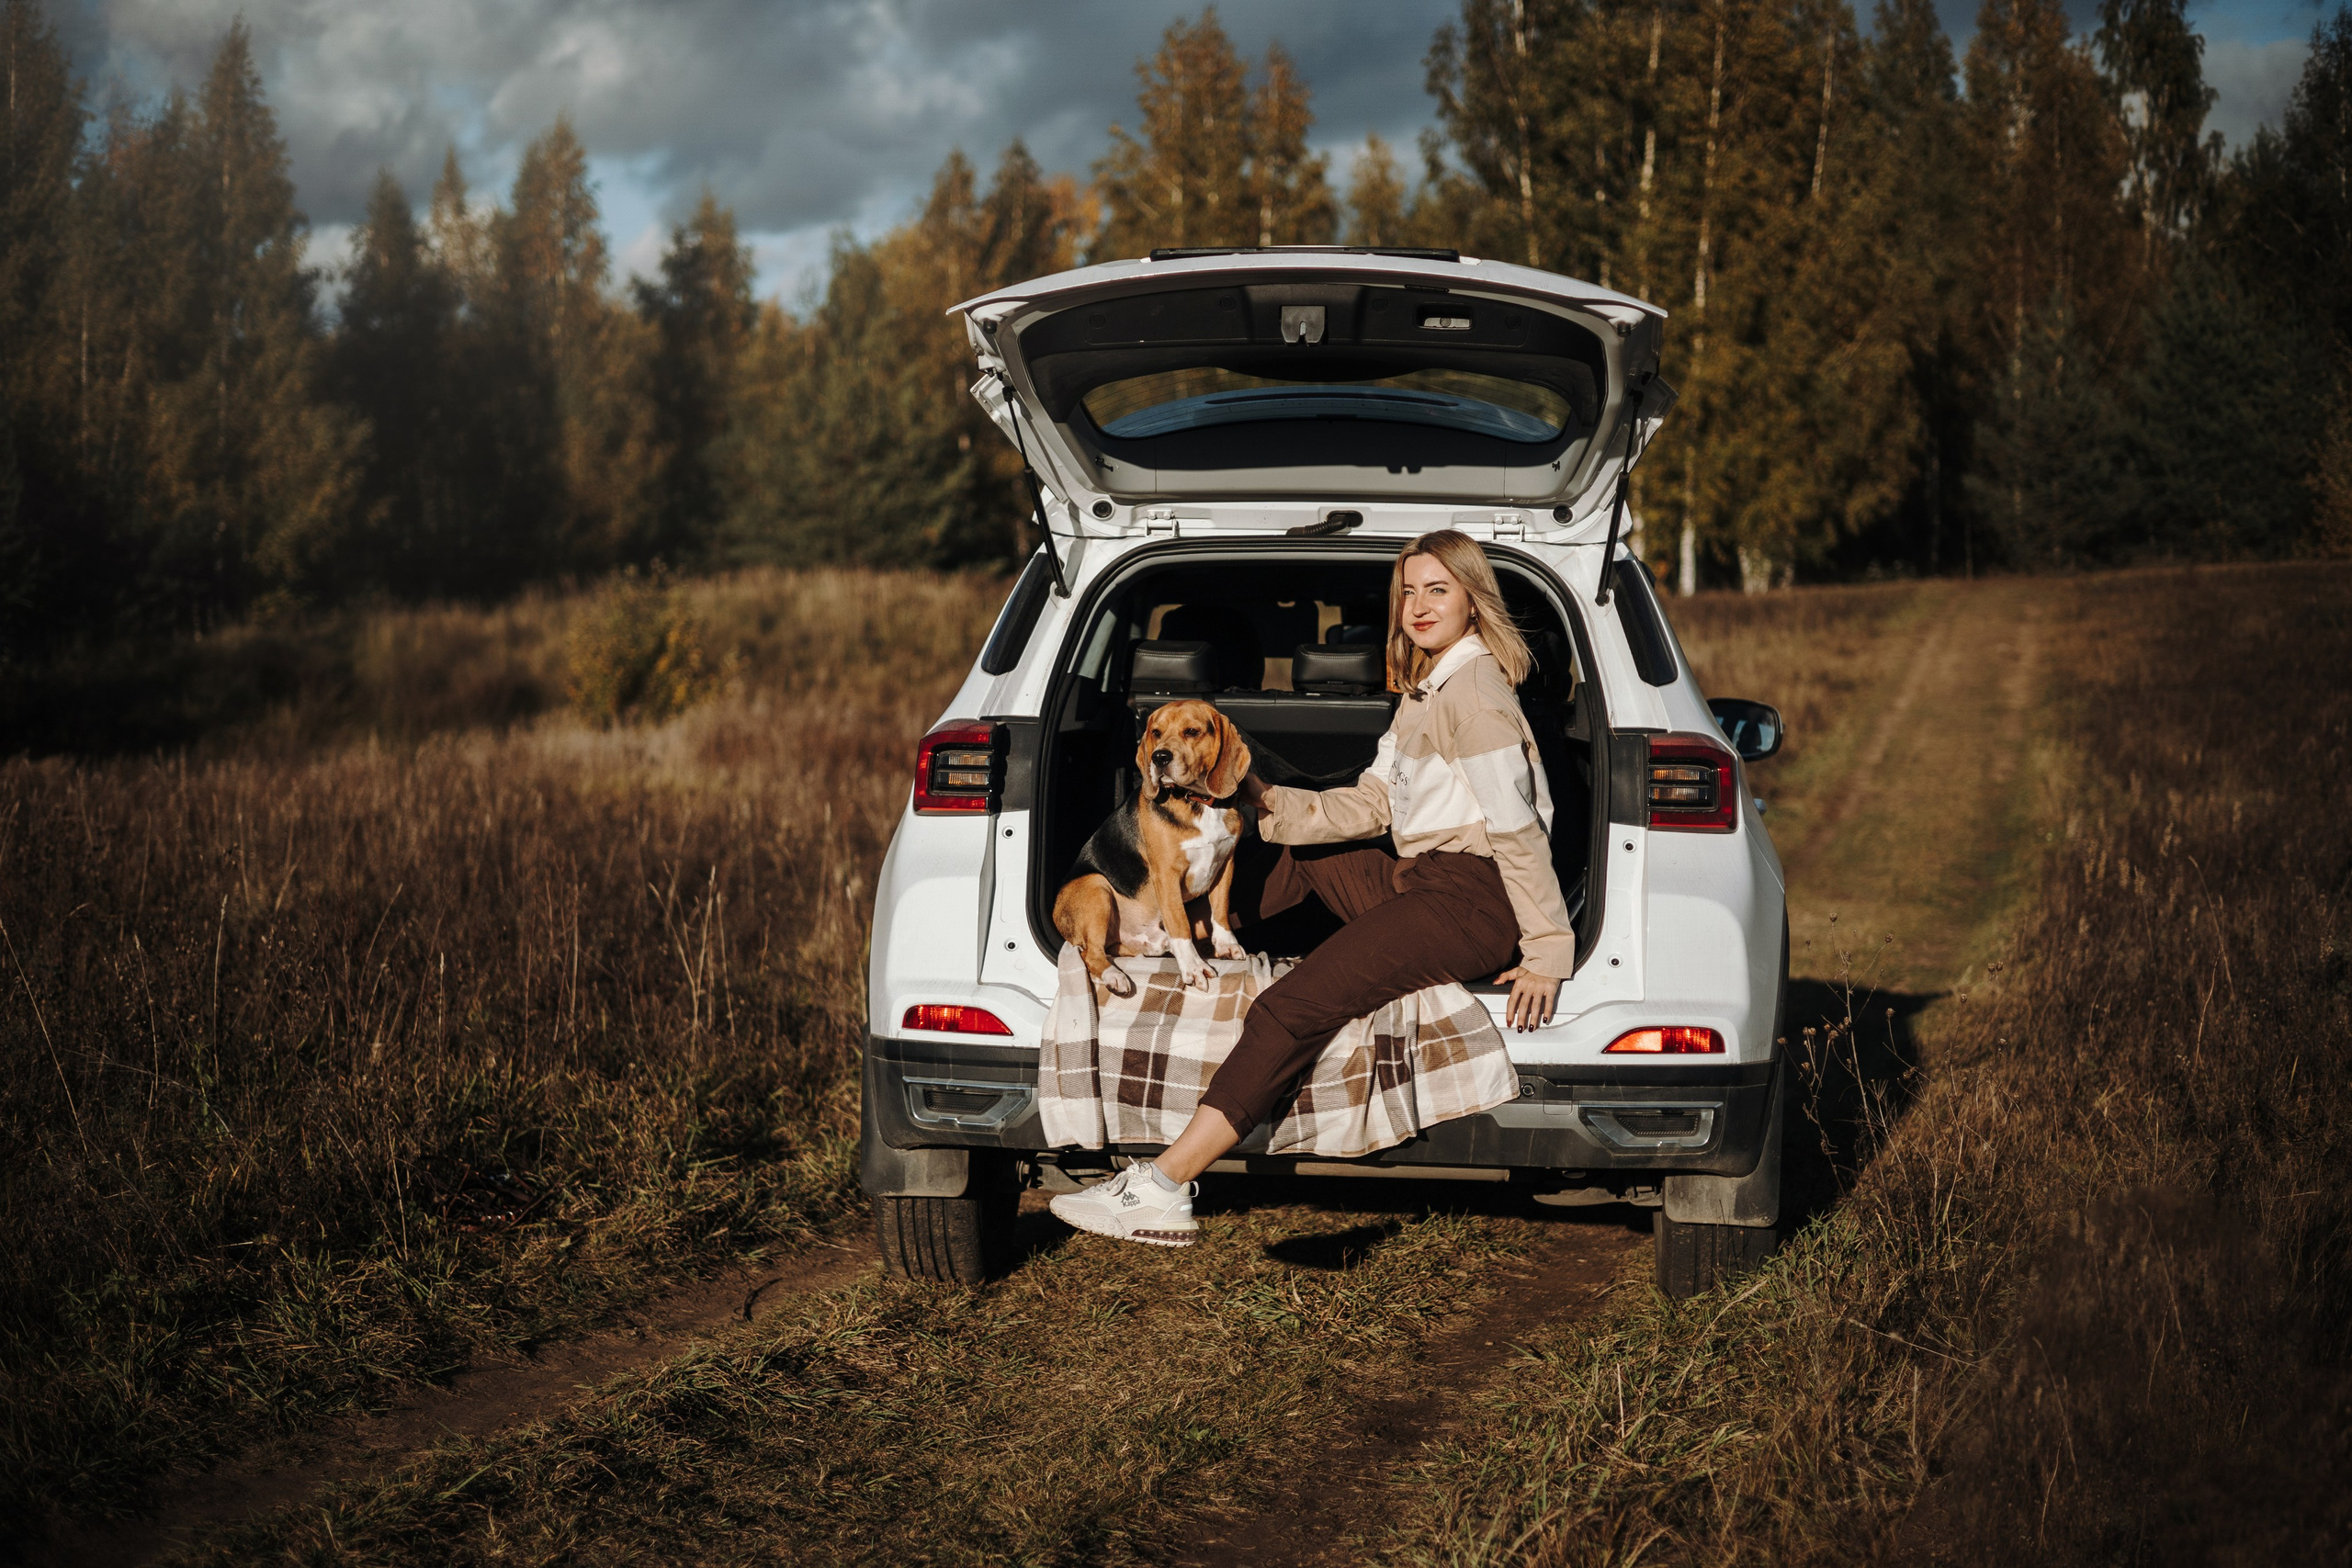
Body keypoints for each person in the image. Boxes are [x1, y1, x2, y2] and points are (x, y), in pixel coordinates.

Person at [1050, 529, 1578, 1247]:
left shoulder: (1475, 694)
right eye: (1410, 591)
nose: (1419, 606)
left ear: (1473, 599)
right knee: (1293, 853)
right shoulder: (1428, 689)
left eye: (1439, 590)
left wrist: (1548, 945)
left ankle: (1163, 1186)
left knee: (1287, 1007)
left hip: (1469, 898)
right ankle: (1197, 931)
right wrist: (1261, 798)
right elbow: (1370, 804)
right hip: (1420, 877)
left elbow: (1517, 830)